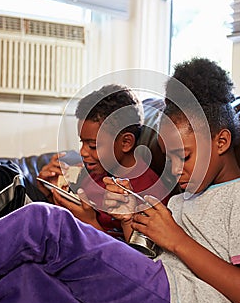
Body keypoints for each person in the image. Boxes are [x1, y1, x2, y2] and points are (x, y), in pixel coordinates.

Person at [0, 58, 240, 303]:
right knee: (24, 281)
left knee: (45, 221)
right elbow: (145, 265)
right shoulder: (182, 201)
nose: (175, 170)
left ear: (221, 142)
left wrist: (176, 239)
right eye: (169, 159)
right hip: (151, 301)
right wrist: (130, 220)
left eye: (185, 156)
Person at [37, 84, 170, 241]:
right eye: (82, 143)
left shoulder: (150, 194)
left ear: (126, 143)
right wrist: (50, 192)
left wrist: (90, 222)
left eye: (93, 145)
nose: (83, 152)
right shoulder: (94, 176)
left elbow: (137, 259)